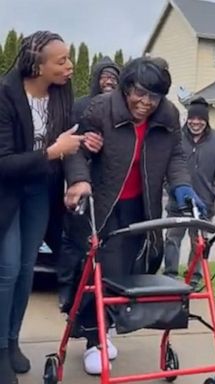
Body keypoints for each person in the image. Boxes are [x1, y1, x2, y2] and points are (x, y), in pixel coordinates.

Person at [63, 56, 206, 375]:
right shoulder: (100, 109)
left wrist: (182, 186)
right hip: (102, 204)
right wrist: (79, 179)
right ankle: (94, 341)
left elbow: (176, 157)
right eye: (140, 93)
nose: (146, 102)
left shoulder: (168, 116)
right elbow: (75, 150)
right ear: (127, 87)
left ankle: (106, 329)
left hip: (140, 206)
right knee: (99, 272)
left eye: (154, 97)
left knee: (132, 270)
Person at [0, 31, 82, 384]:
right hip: (6, 192)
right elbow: (3, 162)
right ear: (38, 65)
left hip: (40, 192)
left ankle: (12, 340)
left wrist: (79, 150)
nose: (69, 66)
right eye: (61, 60)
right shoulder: (5, 95)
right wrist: (52, 151)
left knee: (26, 268)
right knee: (7, 269)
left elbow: (71, 141)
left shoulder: (62, 94)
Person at [57, 57, 120, 310]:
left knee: (104, 245)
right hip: (79, 180)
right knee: (74, 241)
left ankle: (97, 298)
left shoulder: (121, 109)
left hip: (107, 185)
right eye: (104, 76)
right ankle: (66, 290)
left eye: (114, 76)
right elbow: (66, 139)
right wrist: (84, 143)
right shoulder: (80, 105)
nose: (109, 80)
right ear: (96, 79)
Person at [163, 96, 215, 288]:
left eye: (200, 119)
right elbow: (165, 165)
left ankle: (194, 277)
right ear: (187, 119)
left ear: (206, 120)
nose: (196, 122)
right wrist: (169, 188)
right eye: (192, 118)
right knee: (172, 239)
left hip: (204, 204)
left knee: (199, 242)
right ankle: (170, 275)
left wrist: (214, 192)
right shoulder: (176, 138)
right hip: (177, 203)